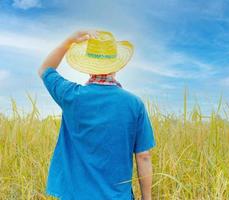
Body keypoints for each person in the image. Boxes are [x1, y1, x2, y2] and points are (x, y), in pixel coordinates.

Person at [38, 30, 156, 200]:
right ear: (117, 65)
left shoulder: (70, 95)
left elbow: (44, 69)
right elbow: (143, 157)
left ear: (88, 65)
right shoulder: (134, 104)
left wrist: (68, 41)